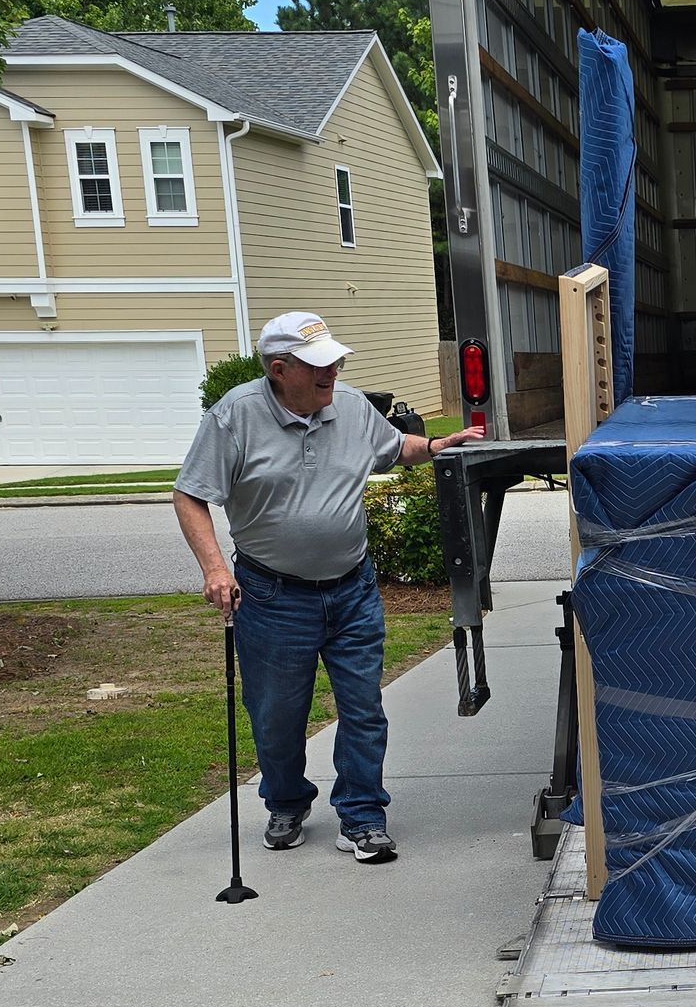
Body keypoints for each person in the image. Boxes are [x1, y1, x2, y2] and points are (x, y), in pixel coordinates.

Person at [174, 312, 476, 863]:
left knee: (363, 708)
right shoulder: (234, 418)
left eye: (334, 361)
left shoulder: (352, 405)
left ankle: (363, 817)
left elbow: (392, 448)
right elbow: (190, 494)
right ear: (279, 369)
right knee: (277, 715)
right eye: (317, 366)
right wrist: (216, 568)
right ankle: (287, 802)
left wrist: (435, 446)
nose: (331, 372)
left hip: (352, 588)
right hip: (272, 595)